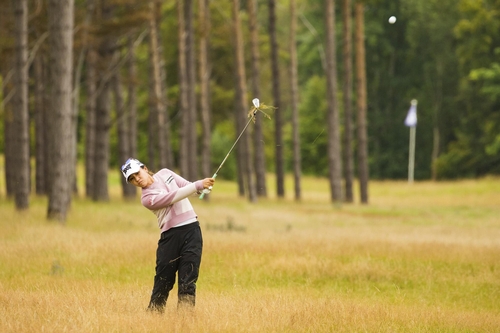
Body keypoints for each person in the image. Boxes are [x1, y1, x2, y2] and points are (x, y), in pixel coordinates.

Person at [120, 158, 215, 312]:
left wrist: (203, 189)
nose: (137, 179)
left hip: (192, 231)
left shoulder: (165, 173)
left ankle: (185, 320)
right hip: (170, 238)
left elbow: (188, 187)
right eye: (132, 179)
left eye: (137, 174)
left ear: (144, 168)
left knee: (188, 279)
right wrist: (198, 185)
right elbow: (172, 197)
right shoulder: (146, 199)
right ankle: (154, 316)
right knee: (164, 281)